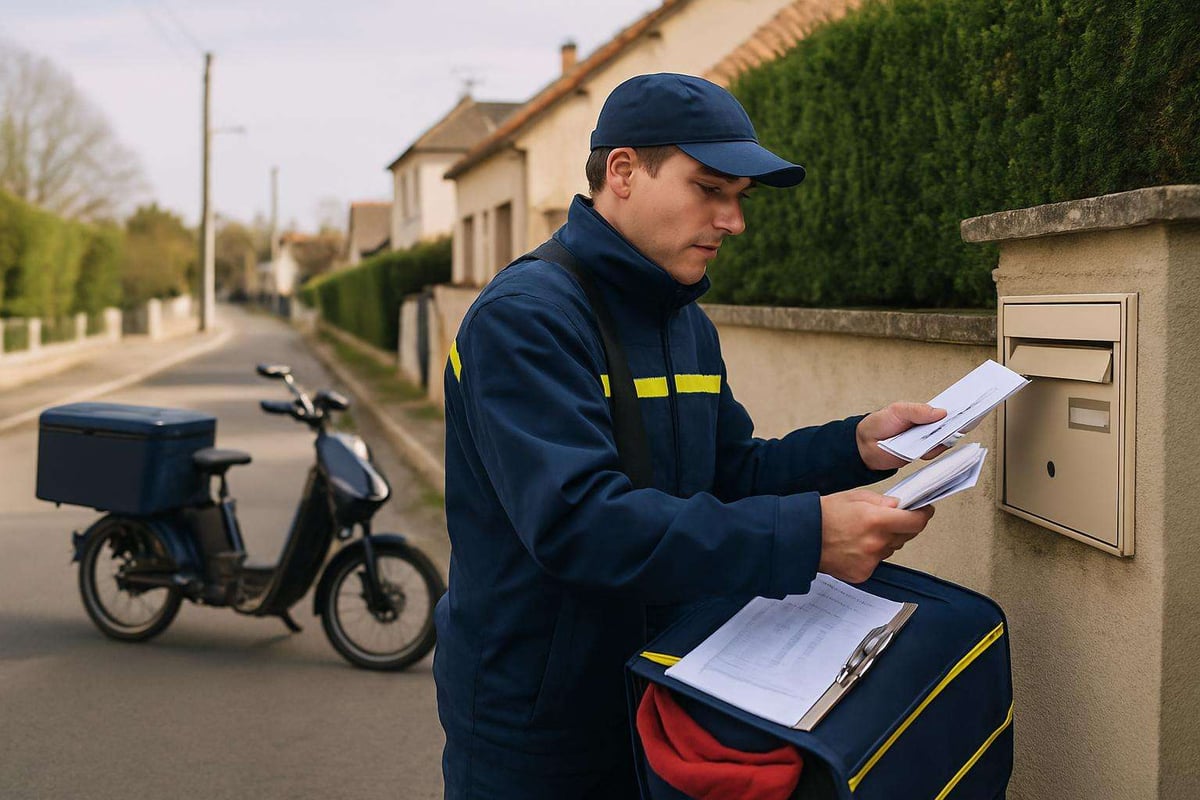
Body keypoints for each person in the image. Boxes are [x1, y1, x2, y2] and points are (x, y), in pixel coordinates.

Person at [434, 73, 946, 799]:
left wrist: (858, 445)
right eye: (709, 189)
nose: (732, 221)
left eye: (738, 198)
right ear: (622, 172)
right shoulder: (525, 318)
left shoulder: (683, 322)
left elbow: (729, 471)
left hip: (669, 692)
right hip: (539, 729)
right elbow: (581, 524)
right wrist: (805, 537)